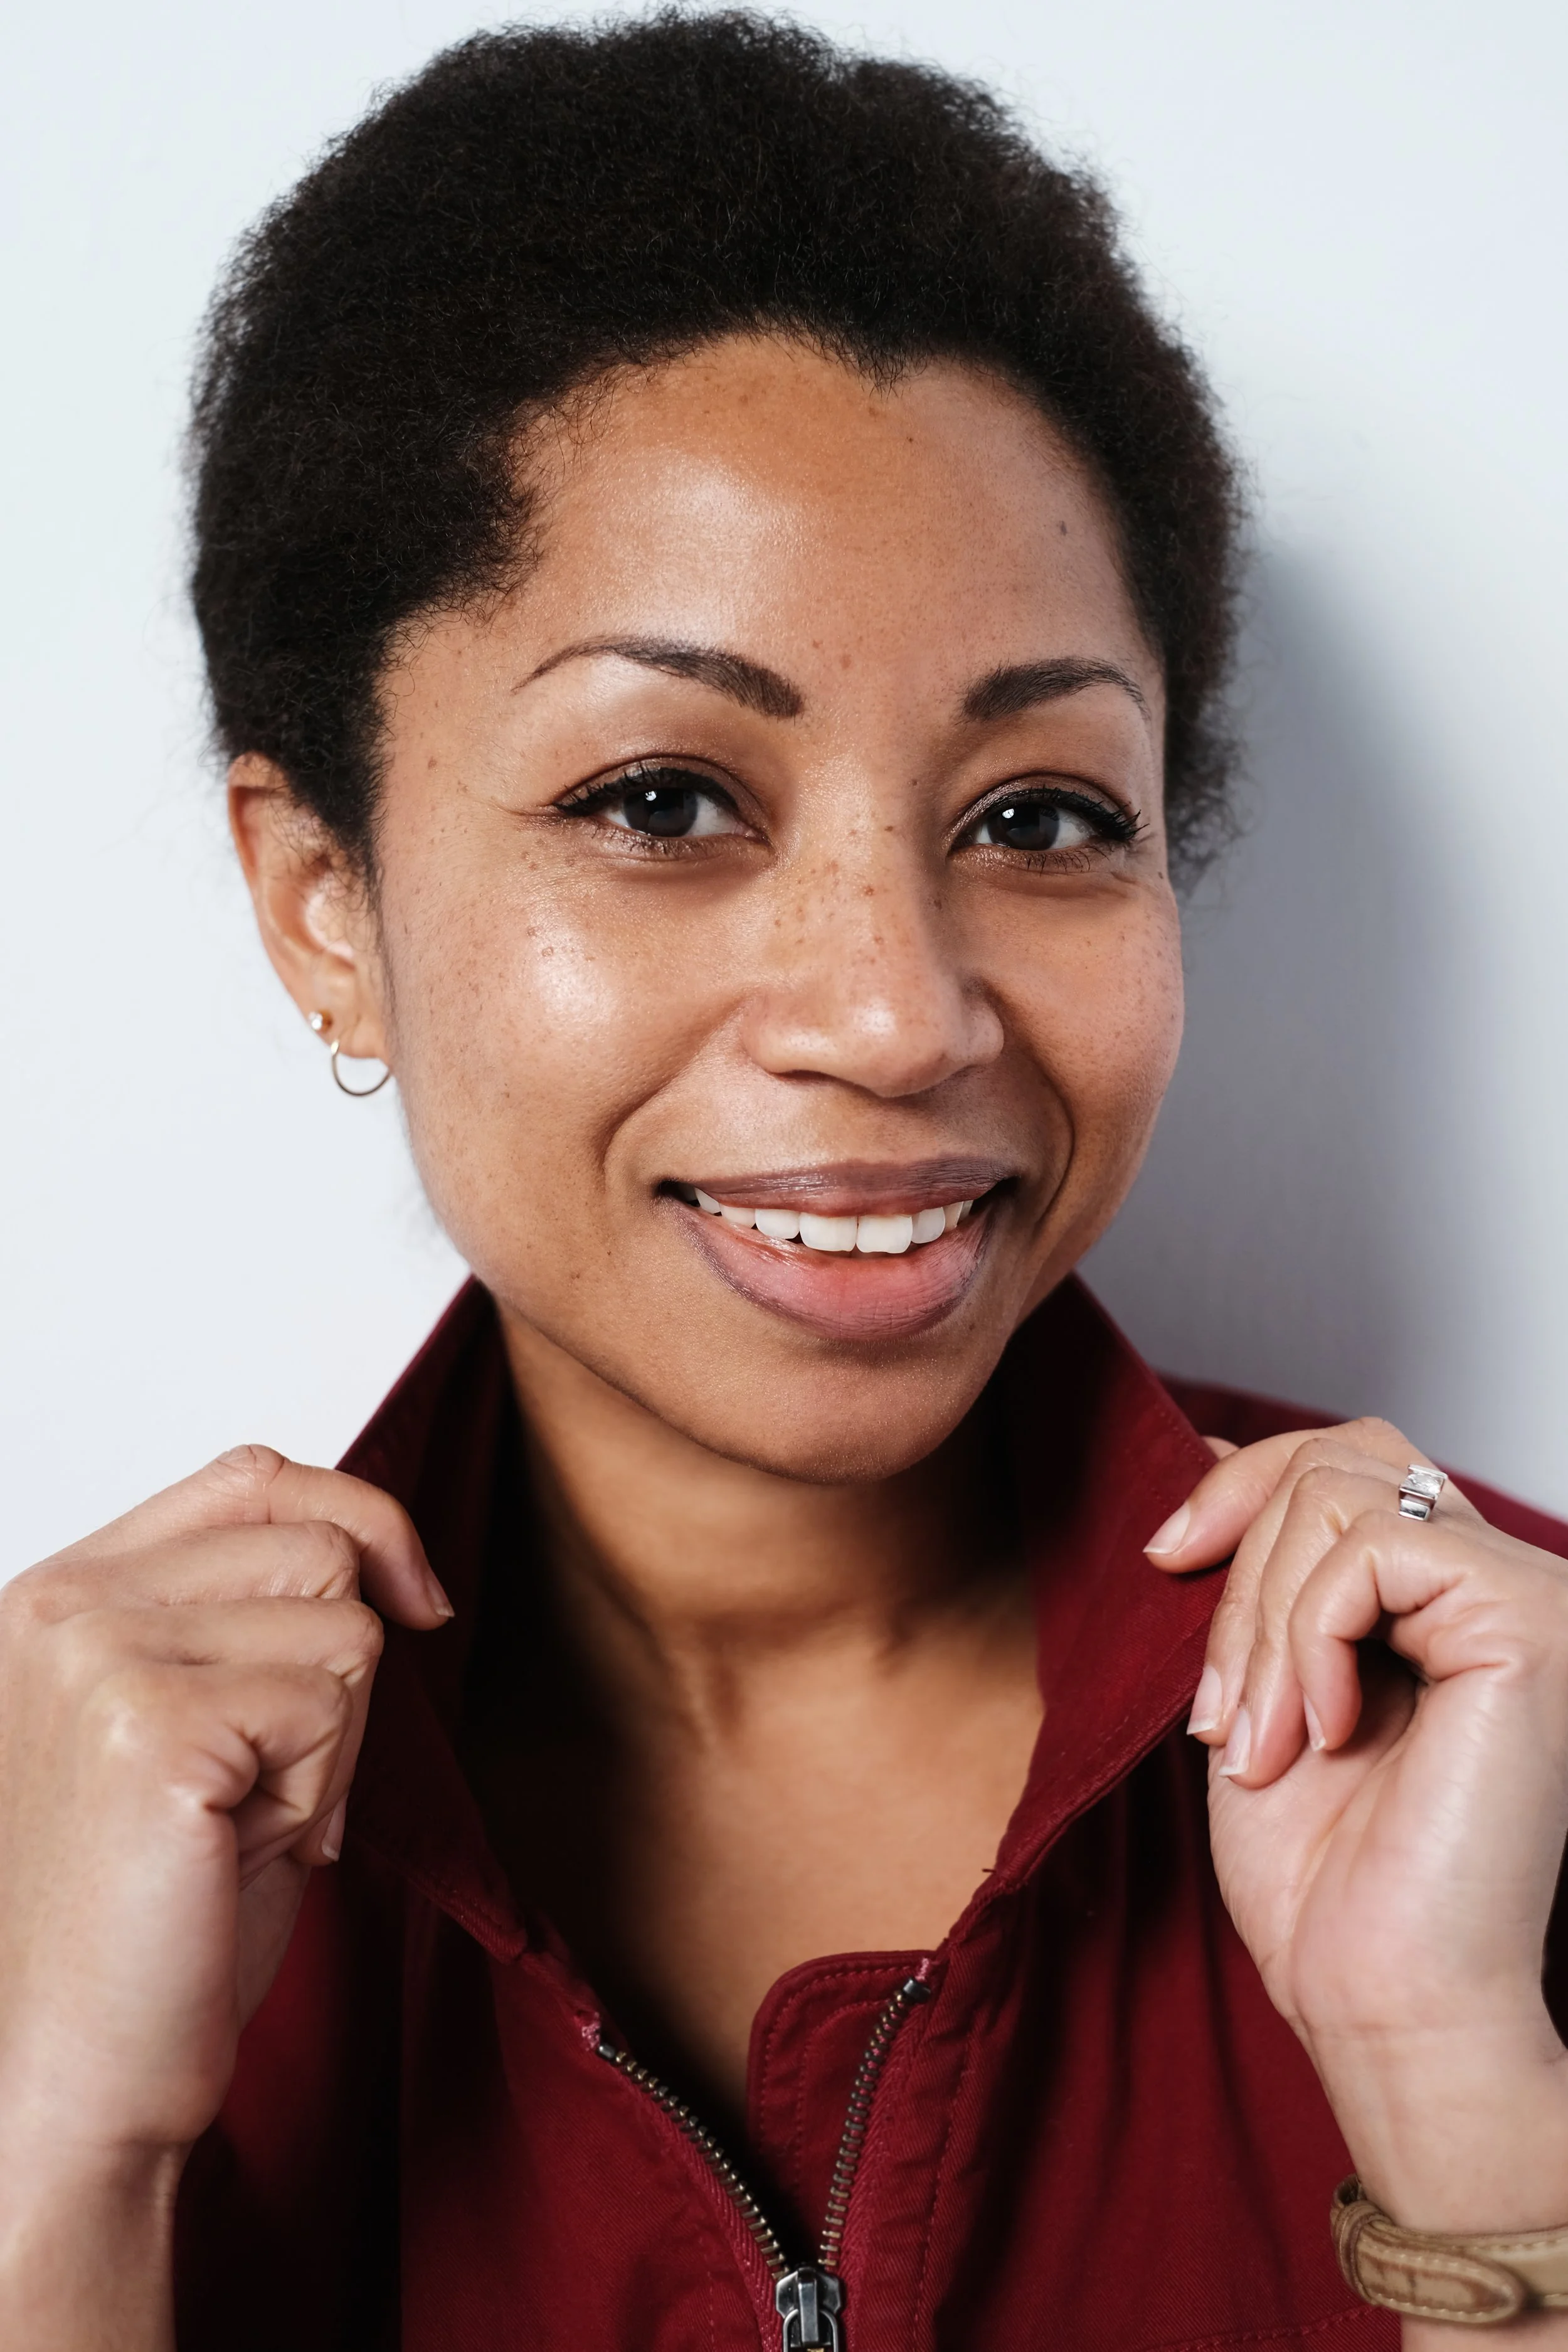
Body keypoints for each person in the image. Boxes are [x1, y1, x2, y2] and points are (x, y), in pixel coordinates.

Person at [3, 14, 1567, 2349]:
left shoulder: (1517, 1723)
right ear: (324, 897)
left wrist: (1461, 2096)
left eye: (1039, 816)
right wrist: (55, 2150)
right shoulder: (58, 1840)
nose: (896, 1012)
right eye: (660, 800)